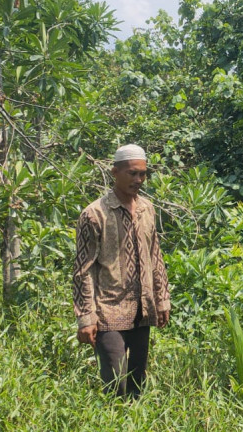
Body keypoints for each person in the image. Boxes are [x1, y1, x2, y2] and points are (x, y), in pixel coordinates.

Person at [72, 144, 170, 399]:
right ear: (115, 172)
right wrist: (86, 317)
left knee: (137, 382)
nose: (138, 180)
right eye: (132, 173)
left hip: (142, 309)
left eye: (142, 174)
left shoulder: (147, 209)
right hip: (108, 310)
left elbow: (155, 255)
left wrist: (162, 299)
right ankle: (114, 416)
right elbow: (83, 269)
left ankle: (135, 417)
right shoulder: (94, 214)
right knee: (116, 383)